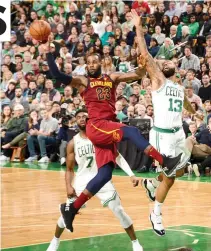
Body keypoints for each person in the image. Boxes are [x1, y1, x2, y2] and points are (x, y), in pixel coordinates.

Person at [40, 22, 182, 232]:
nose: (90, 65)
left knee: (105, 174)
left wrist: (142, 64)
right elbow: (58, 76)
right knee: (132, 131)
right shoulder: (83, 82)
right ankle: (165, 162)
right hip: (98, 126)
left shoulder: (112, 77)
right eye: (87, 62)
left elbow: (139, 75)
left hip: (107, 127)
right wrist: (49, 53)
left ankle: (70, 210)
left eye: (93, 61)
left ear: (101, 62)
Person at [130, 10, 201, 236]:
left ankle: (153, 184)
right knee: (171, 178)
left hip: (178, 132)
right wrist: (138, 27)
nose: (166, 60)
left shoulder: (178, 87)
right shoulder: (158, 79)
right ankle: (156, 213)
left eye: (169, 60)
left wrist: (194, 112)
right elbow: (144, 52)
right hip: (162, 135)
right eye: (162, 61)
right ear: (159, 68)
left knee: (178, 172)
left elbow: (185, 104)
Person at [45, 110, 144, 251]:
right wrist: (68, 186)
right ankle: (54, 242)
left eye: (84, 116)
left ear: (90, 119)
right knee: (67, 214)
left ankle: (136, 244)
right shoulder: (73, 143)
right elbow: (70, 169)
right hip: (82, 181)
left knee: (119, 211)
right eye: (78, 117)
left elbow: (117, 156)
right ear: (75, 122)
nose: (81, 119)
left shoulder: (101, 136)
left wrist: (131, 174)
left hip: (102, 179)